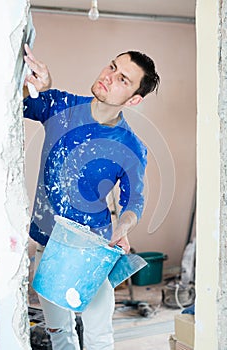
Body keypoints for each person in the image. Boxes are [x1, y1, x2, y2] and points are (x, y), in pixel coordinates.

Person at [23, 44, 160, 350]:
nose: (110, 77)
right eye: (112, 66)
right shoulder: (60, 106)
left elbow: (133, 200)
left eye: (123, 79)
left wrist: (123, 227)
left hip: (92, 251)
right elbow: (13, 103)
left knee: (99, 337)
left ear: (134, 99)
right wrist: (33, 85)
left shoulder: (131, 146)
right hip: (48, 246)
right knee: (60, 334)